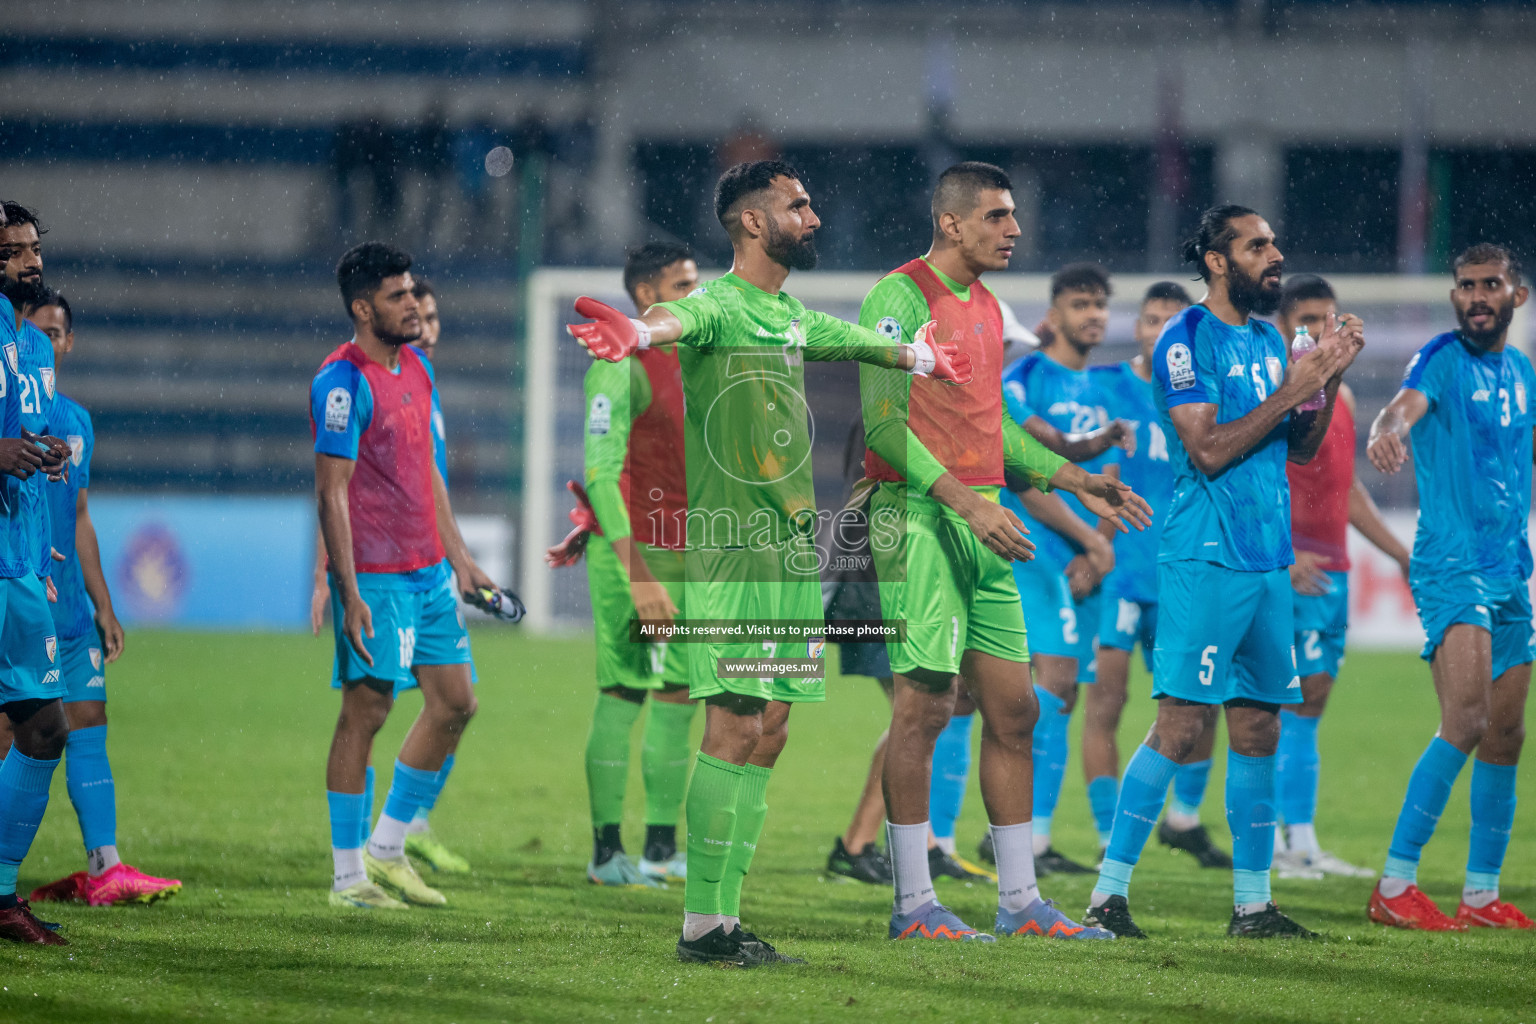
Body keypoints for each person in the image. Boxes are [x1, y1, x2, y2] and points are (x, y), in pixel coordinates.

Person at [568, 159, 972, 966]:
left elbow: (844, 337)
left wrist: (917, 358)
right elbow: (675, 323)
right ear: (753, 222)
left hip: (790, 559)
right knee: (734, 725)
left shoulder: (784, 314)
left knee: (768, 729)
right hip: (736, 559)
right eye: (799, 204)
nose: (814, 216)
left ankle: (724, 915)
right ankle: (704, 927)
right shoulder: (716, 303)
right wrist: (640, 331)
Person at [859, 162, 1150, 942]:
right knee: (921, 707)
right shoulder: (899, 297)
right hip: (918, 515)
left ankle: (1020, 901)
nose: (1013, 230)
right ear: (951, 222)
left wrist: (1077, 479)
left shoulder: (988, 309)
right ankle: (913, 904)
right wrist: (964, 501)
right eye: (996, 216)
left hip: (982, 520)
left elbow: (996, 432)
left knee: (1014, 710)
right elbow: (886, 428)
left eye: (1013, 216)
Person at [1083, 204, 1362, 940]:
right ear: (1216, 260)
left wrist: (1326, 379)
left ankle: (1252, 904)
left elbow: (1297, 449)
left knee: (1260, 727)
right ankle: (1107, 897)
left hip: (1268, 557)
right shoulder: (1187, 339)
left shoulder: (1270, 338)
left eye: (1275, 242)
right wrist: (1299, 386)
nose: (1275, 256)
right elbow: (1206, 449)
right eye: (1258, 246)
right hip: (1205, 556)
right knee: (1178, 725)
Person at [313, 243, 501, 911]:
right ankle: (347, 879)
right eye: (398, 297)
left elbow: (429, 474)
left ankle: (388, 849)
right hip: (379, 579)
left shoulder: (417, 366)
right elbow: (331, 492)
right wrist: (347, 589)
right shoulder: (341, 382)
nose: (414, 306)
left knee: (455, 703)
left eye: (413, 293)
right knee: (366, 713)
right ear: (364, 308)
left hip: (427, 573)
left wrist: (460, 558)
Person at [1365, 243, 1536, 931]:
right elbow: (1401, 408)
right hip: (1451, 560)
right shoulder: (1441, 357)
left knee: (1505, 733)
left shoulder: (1521, 371)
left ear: (1516, 296)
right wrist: (1387, 428)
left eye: (1489, 284)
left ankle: (1480, 894)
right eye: (1464, 285)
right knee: (1465, 721)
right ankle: (1394, 884)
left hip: (1509, 566)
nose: (1474, 297)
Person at [547, 242, 700, 887]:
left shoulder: (693, 358)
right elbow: (603, 473)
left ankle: (660, 849)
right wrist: (633, 569)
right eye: (683, 285)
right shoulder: (618, 360)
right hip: (634, 556)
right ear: (646, 295)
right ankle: (607, 853)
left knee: (681, 692)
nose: (698, 296)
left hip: (691, 550)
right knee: (624, 688)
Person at [21, 291, 181, 907]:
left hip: (70, 611)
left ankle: (104, 866)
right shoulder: (10, 418)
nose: (51, 342)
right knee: (16, 736)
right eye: (38, 330)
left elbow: (81, 517)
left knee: (88, 720)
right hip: (23, 595)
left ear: (67, 342)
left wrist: (104, 606)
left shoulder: (77, 422)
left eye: (59, 332)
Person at [1084, 282, 1231, 868]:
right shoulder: (1107, 389)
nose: (1160, 329)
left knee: (1201, 700)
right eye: (1150, 319)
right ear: (1138, 327)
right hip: (1122, 574)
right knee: (1107, 704)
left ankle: (1184, 819)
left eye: (1173, 319)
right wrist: (1093, 548)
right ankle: (1104, 834)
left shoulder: (1207, 392)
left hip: (1187, 569)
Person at [1271, 274, 1408, 881]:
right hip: (1288, 567)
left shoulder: (1344, 398)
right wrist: (1282, 556)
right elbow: (1254, 480)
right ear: (1282, 328)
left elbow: (1343, 489)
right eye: (1306, 321)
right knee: (1282, 703)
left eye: (1327, 320)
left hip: (1334, 567)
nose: (1320, 332)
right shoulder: (1278, 390)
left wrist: (1398, 553)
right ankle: (1278, 841)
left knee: (1314, 701)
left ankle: (1301, 840)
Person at [999, 262, 1133, 875]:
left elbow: (1112, 477)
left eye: (1101, 305)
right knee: (1046, 684)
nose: (1094, 315)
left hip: (1086, 554)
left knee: (1065, 691)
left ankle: (1037, 837)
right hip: (1033, 546)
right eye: (1081, 305)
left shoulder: (1107, 386)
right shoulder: (1024, 376)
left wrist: (1099, 544)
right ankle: (1015, 837)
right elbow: (1029, 471)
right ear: (1053, 315)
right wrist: (1087, 540)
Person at [0, 198, 74, 944]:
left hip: (19, 563)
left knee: (44, 728)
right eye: (15, 251)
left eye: (33, 248)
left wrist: (34, 451)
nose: (33, 261)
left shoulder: (25, 342)